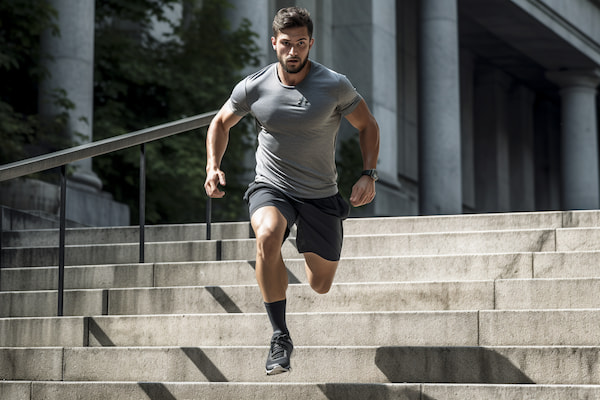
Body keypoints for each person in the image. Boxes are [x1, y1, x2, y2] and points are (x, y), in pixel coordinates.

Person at [204, 6, 380, 375]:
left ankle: (302, 249)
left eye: (301, 43)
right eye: (286, 44)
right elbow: (221, 122)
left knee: (320, 284)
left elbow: (368, 125)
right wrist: (213, 166)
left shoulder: (334, 84)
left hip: (320, 194)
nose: (294, 51)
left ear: (310, 43)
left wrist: (368, 174)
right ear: (274, 44)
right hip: (272, 186)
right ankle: (280, 336)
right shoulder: (255, 86)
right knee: (266, 236)